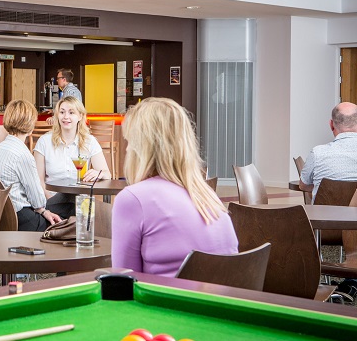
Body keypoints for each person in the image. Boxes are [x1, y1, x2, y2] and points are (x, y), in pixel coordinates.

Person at [111, 97, 238, 276]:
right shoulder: (208, 197)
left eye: (130, 141)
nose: (127, 149)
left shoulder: (133, 199)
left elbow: (123, 283)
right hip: (223, 302)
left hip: (169, 302)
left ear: (141, 147)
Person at [0, 99, 62, 231]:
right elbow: (38, 201)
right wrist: (43, 210)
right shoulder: (23, 155)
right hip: (22, 221)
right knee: (66, 212)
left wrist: (42, 210)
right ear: (30, 125)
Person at [34, 96, 111, 217]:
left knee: (83, 202)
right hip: (52, 202)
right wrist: (49, 200)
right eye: (62, 112)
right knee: (87, 208)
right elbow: (38, 181)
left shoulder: (90, 142)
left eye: (71, 112)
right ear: (57, 115)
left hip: (80, 202)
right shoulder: (44, 142)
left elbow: (107, 174)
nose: (66, 117)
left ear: (80, 116)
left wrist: (99, 173)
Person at [299, 102, 357, 201]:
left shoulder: (317, 153)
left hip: (323, 214)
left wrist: (325, 190)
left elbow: (303, 186)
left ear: (331, 125)